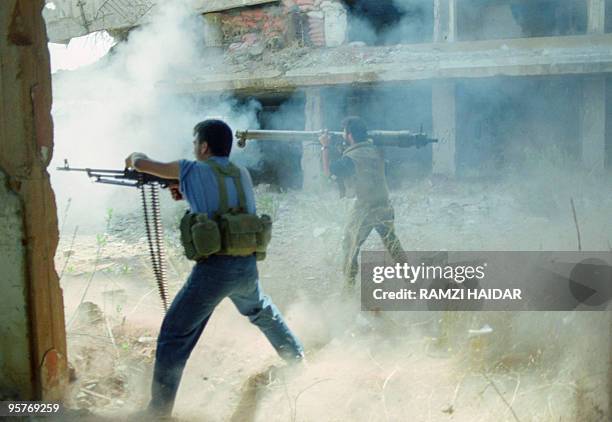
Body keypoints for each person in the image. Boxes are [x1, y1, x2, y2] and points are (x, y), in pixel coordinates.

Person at [125, 119, 304, 418]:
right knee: (262, 312)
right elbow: (223, 201)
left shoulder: (191, 169)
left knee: (173, 334)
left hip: (214, 271)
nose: (194, 149)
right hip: (246, 265)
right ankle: (298, 360)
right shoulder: (241, 173)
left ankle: (158, 411)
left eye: (196, 143)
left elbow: (143, 165)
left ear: (204, 146)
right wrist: (185, 191)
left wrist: (133, 157)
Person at [320, 116, 406, 286]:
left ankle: (348, 289)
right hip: (383, 205)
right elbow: (356, 163)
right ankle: (412, 281)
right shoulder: (374, 149)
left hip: (365, 209)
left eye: (345, 133)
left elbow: (329, 172)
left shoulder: (353, 156)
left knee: (349, 247)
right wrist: (342, 148)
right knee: (393, 246)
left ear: (349, 135)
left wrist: (325, 146)